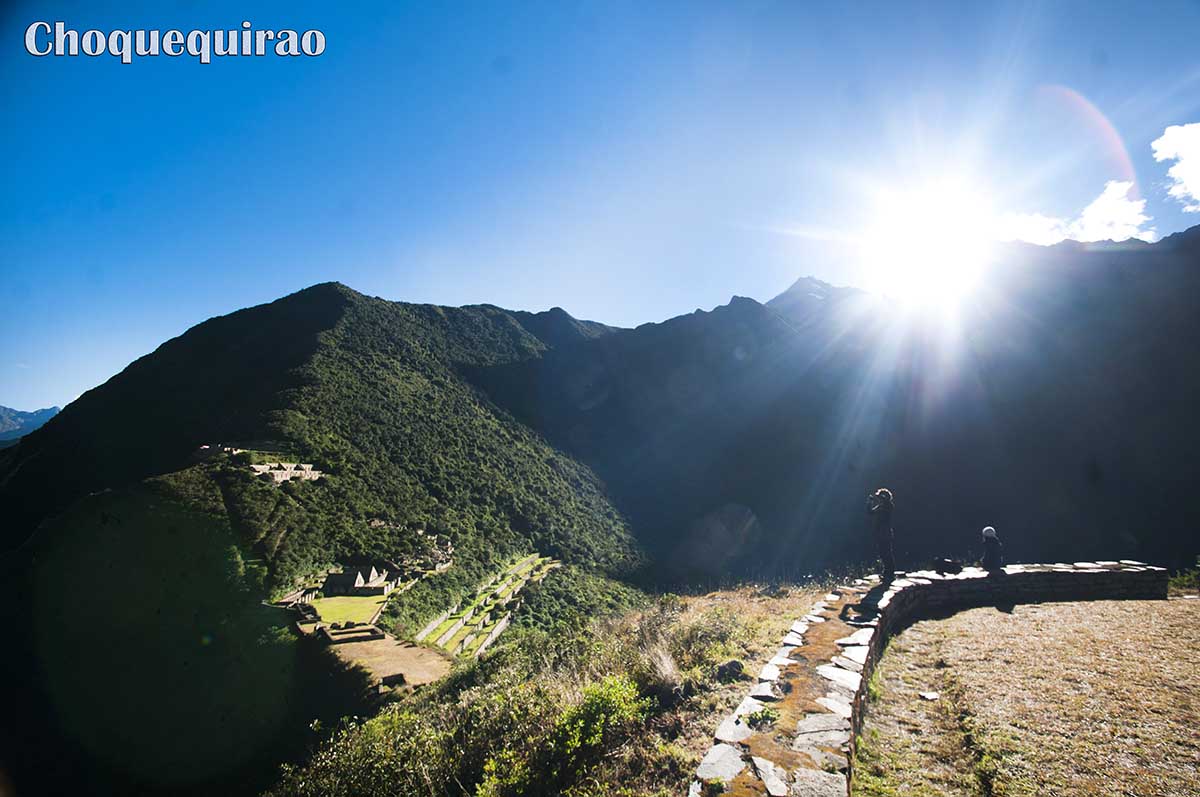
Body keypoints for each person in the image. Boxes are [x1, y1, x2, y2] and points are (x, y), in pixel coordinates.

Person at [867, 487, 896, 583]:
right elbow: (870, 512)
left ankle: (890, 573)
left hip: (885, 532)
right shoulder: (881, 506)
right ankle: (887, 572)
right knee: (883, 553)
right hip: (880, 532)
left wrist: (878, 498)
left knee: (886, 553)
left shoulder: (888, 505)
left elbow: (884, 505)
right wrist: (869, 503)